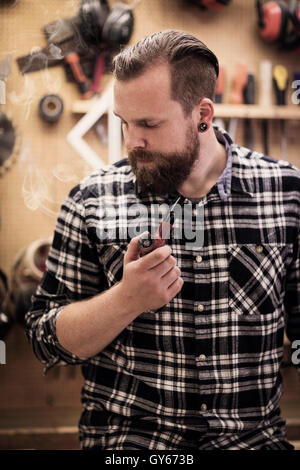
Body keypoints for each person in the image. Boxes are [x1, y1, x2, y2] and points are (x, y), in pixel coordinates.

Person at [25, 30, 299, 450]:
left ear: (202, 113)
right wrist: (126, 299)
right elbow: (46, 343)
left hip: (251, 442)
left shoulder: (286, 193)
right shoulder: (93, 200)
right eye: (124, 122)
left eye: (149, 124)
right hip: (132, 447)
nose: (132, 141)